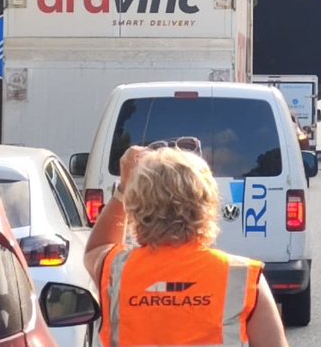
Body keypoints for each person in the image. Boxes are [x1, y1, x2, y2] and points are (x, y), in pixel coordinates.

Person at [84, 146, 288, 347]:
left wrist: (123, 188)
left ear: (136, 207)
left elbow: (97, 247)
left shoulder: (115, 271)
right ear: (207, 205)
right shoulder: (242, 277)